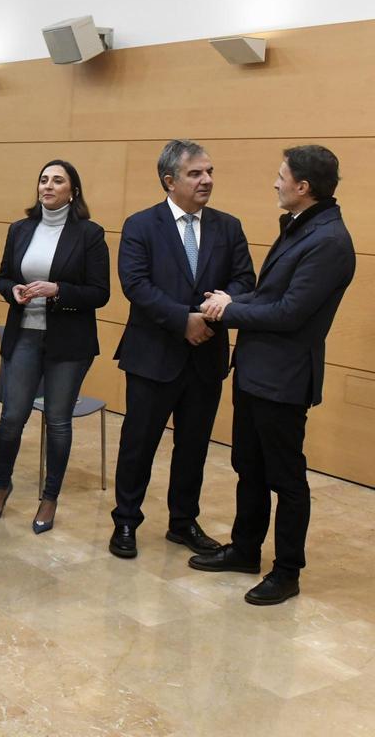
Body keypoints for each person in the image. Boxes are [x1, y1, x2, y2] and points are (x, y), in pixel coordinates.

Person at [190, 146, 355, 605]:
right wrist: (232, 300)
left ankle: (286, 572)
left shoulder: (329, 240)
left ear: (303, 186)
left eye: (282, 176)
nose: (276, 183)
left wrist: (229, 310)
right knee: (249, 467)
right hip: (255, 371)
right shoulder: (302, 225)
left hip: (284, 379)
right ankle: (245, 550)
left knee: (286, 478)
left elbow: (289, 313)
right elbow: (270, 295)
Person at [108, 139, 255, 560]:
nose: (206, 180)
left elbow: (245, 280)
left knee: (194, 446)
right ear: (170, 181)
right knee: (138, 444)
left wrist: (213, 311)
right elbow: (135, 284)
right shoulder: (141, 225)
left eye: (209, 172)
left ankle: (183, 521)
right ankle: (126, 520)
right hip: (153, 356)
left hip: (206, 356)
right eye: (195, 173)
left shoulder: (228, 226)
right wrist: (182, 319)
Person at [0, 160, 110, 532]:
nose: (48, 186)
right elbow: (2, 277)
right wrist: (12, 290)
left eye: (57, 180)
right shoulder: (20, 229)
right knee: (11, 418)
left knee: (57, 421)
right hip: (23, 335)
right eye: (43, 180)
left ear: (73, 191)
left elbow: (100, 293)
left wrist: (58, 291)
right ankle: (1, 487)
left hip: (68, 342)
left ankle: (49, 497)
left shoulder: (89, 234)